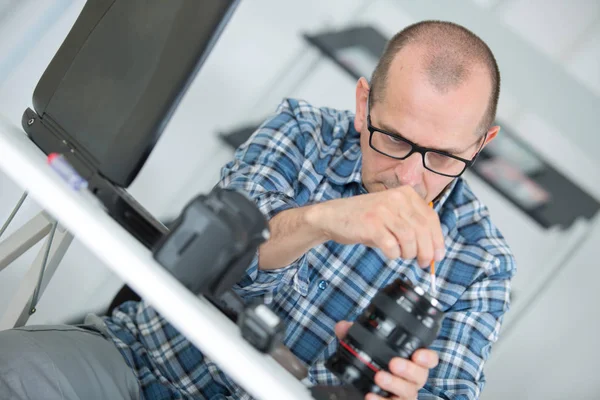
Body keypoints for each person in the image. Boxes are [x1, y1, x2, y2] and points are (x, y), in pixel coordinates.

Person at [0, 20, 515, 400]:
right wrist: (325, 218)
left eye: (444, 156)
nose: (408, 176)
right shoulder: (302, 130)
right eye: (394, 139)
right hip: (141, 366)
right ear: (364, 105)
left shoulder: (483, 263)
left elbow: (448, 393)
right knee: (14, 374)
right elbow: (221, 259)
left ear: (481, 143)